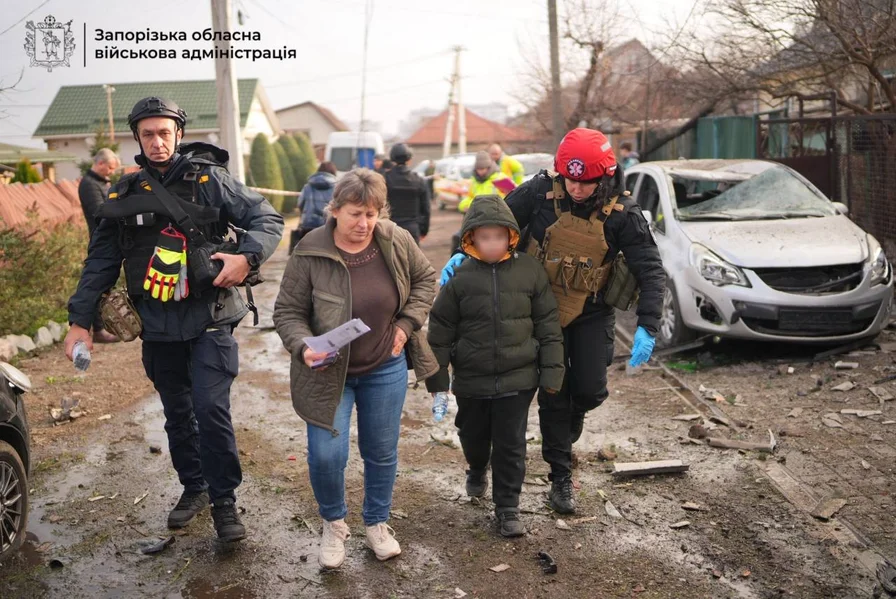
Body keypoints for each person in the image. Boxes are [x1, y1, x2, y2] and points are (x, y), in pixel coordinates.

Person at [64, 97, 284, 542]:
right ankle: (194, 488)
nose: (157, 141)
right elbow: (100, 262)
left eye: (165, 132)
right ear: (137, 138)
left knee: (210, 408)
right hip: (157, 322)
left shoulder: (210, 179)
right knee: (177, 413)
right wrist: (79, 321)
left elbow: (266, 218)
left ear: (178, 134)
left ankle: (224, 501)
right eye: (148, 134)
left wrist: (246, 257)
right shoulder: (123, 193)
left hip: (210, 315)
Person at [441, 129, 664, 514]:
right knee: (552, 392)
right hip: (540, 311)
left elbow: (650, 268)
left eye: (586, 182)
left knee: (589, 391)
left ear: (606, 176)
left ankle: (575, 413)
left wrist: (649, 323)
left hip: (591, 313)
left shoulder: (624, 213)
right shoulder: (538, 193)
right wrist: (466, 250)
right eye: (570, 180)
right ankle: (560, 476)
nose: (576, 189)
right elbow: (493, 220)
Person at [273, 169, 438, 569]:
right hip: (328, 372)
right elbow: (288, 311)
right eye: (355, 214)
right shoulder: (311, 249)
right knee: (326, 455)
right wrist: (304, 346)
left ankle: (377, 522)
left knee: (381, 451)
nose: (364, 223)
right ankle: (334, 523)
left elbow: (425, 281)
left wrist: (406, 324)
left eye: (371, 214)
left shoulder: (395, 239)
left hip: (385, 366)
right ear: (334, 210)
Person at [427, 194, 564, 538]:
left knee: (511, 444)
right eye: (484, 237)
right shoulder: (459, 277)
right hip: (472, 378)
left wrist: (551, 371)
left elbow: (548, 325)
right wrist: (438, 382)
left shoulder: (529, 271)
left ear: (511, 236)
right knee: (472, 435)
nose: (492, 244)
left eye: (499, 236)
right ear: (471, 238)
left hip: (518, 378)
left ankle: (508, 507)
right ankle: (476, 466)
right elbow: (440, 331)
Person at [78, 148, 121, 344]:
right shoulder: (89, 184)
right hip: (100, 240)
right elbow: (100, 212)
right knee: (97, 284)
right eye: (110, 168)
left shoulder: (102, 182)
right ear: (100, 163)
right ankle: (97, 329)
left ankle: (102, 326)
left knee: (107, 286)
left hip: (109, 238)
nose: (111, 172)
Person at [384, 143, 430, 244]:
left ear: (392, 158)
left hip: (390, 228)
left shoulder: (385, 179)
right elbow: (426, 209)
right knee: (412, 254)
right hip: (412, 229)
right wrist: (424, 230)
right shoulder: (420, 180)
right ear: (409, 159)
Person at [290, 161, 337, 253]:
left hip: (307, 225)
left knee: (305, 254)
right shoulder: (337, 188)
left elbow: (300, 204)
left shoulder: (307, 187)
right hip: (327, 227)